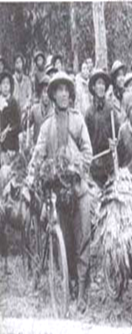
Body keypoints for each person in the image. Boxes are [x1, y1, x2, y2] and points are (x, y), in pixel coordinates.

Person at [26, 72, 94, 307]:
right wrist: (32, 175)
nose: (63, 94)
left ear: (70, 94)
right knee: (65, 240)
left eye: (67, 90)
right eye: (59, 90)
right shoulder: (47, 126)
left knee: (83, 238)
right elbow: (38, 154)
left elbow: (88, 152)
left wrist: (76, 167)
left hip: (78, 189)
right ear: (53, 95)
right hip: (59, 193)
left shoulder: (78, 120)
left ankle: (83, 289)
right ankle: (71, 280)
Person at [85, 68, 123, 187]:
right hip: (95, 166)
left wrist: (115, 142)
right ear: (93, 87)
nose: (101, 87)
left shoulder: (111, 110)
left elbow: (119, 134)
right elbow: (86, 142)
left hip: (110, 165)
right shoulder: (89, 113)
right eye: (98, 83)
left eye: (103, 84)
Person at [0, 71, 21, 167]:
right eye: (3, 83)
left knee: (9, 169)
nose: (5, 86)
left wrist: (8, 130)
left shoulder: (13, 102)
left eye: (7, 83)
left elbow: (18, 125)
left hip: (11, 144)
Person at [28, 76, 53, 144]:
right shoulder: (34, 110)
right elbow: (25, 126)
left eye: (49, 93)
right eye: (45, 92)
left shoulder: (54, 112)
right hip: (36, 146)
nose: (47, 96)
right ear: (41, 93)